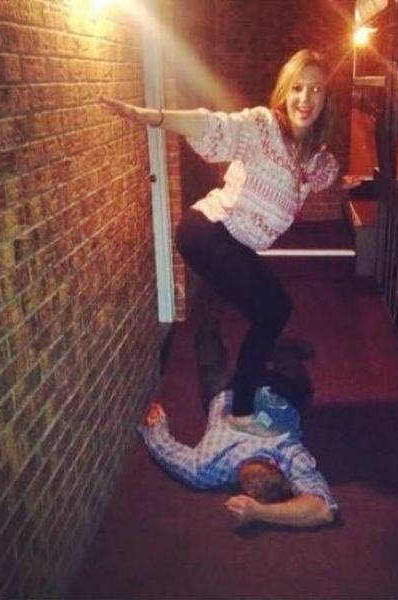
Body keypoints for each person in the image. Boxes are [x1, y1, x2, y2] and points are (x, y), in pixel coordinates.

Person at [100, 49, 339, 435]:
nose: (305, 98)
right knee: (272, 311)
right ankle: (241, 413)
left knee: (272, 310)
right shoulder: (262, 127)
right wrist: (155, 117)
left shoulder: (310, 158)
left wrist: (335, 172)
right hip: (208, 230)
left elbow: (323, 172)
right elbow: (213, 126)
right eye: (298, 87)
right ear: (285, 90)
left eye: (316, 90)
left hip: (233, 242)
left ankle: (232, 359)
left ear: (327, 98)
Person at [137, 390, 338, 528]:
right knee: (300, 388)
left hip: (227, 395)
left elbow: (169, 452)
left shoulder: (208, 471)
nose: (257, 482)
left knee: (211, 363)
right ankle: (287, 351)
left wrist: (157, 427)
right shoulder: (288, 452)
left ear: (247, 492)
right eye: (268, 481)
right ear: (275, 466)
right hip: (279, 395)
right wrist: (261, 512)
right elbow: (323, 510)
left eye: (255, 489)